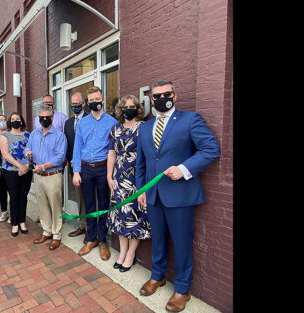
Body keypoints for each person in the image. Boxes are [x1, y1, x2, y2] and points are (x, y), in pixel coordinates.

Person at [136, 80, 220, 312]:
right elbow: (141, 163)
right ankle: (157, 276)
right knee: (158, 240)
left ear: (175, 95)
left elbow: (211, 148)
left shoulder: (190, 119)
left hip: (181, 195)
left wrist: (183, 169)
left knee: (182, 244)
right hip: (153, 196)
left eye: (167, 93)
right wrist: (142, 190)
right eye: (157, 95)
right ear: (151, 100)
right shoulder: (144, 127)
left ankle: (183, 289)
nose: (162, 98)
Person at [105, 95, 152, 273]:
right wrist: (109, 177)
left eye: (132, 106)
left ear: (138, 109)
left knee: (133, 218)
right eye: (125, 107)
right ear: (120, 110)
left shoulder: (143, 128)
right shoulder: (115, 128)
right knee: (120, 218)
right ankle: (122, 252)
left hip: (136, 179)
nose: (128, 109)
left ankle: (131, 254)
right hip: (118, 180)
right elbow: (111, 154)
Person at [72, 86, 118, 261]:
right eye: (91, 101)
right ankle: (91, 239)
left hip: (103, 169)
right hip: (86, 169)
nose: (95, 103)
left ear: (103, 100)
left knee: (104, 205)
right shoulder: (83, 122)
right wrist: (76, 171)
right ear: (87, 103)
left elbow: (113, 151)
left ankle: (102, 240)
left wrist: (111, 174)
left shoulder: (112, 122)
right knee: (90, 205)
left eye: (97, 99)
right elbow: (77, 148)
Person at [24, 104, 67, 250]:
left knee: (55, 206)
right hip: (38, 176)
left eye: (47, 117)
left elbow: (60, 157)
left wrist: (43, 166)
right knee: (42, 205)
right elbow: (27, 147)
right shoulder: (34, 134)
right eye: (41, 117)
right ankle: (47, 231)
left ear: (52, 118)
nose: (44, 119)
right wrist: (27, 152)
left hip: (52, 175)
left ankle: (56, 235)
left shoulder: (60, 136)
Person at [0, 112, 32, 237]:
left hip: (26, 171)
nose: (15, 121)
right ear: (9, 121)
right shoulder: (4, 135)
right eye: (13, 119)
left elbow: (31, 152)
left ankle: (22, 221)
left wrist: (26, 166)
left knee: (23, 196)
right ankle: (14, 223)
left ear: (21, 121)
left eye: (17, 119)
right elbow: (5, 154)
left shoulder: (28, 135)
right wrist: (19, 166)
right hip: (11, 171)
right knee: (14, 197)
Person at [63, 92, 88, 243]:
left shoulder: (90, 119)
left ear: (84, 104)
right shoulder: (68, 123)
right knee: (80, 198)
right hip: (74, 167)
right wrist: (68, 159)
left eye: (77, 104)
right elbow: (68, 145)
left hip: (89, 166)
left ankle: (93, 228)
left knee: (91, 199)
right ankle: (82, 225)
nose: (75, 107)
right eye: (73, 104)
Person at [0, 114, 10, 223]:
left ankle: (13, 212)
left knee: (12, 190)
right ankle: (4, 211)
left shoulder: (11, 133)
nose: (2, 122)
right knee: (2, 190)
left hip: (10, 165)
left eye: (4, 120)